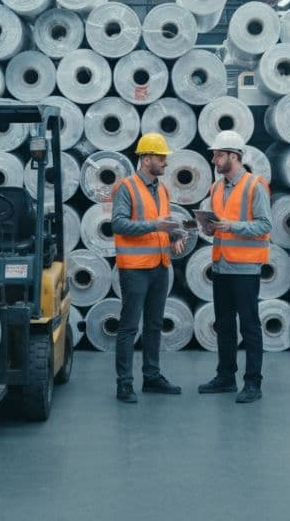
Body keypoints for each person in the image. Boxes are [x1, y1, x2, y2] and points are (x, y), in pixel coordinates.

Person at [110, 132, 187, 403]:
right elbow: (118, 224)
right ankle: (124, 384)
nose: (165, 162)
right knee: (129, 326)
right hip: (134, 268)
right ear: (146, 159)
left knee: (154, 325)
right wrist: (156, 226)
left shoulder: (161, 189)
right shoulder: (126, 187)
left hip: (159, 266)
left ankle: (152, 377)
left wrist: (174, 234)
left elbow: (162, 224)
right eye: (161, 157)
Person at [197, 130, 270, 404]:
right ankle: (226, 376)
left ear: (234, 156)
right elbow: (217, 225)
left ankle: (253, 383)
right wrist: (206, 226)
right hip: (221, 267)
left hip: (245, 268)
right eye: (214, 155)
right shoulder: (216, 188)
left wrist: (231, 226)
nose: (214, 160)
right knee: (224, 325)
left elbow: (265, 225)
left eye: (218, 155)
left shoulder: (255, 186)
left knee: (249, 326)